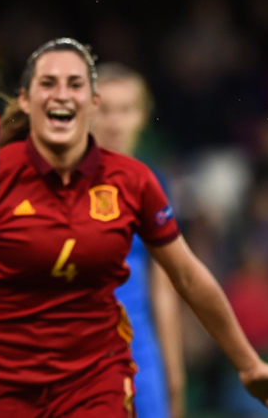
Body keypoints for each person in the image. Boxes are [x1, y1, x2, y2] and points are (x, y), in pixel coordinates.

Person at [0, 37, 268, 417]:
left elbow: (186, 277)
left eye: (76, 84)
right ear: (27, 100)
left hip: (99, 380)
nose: (62, 94)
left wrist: (248, 363)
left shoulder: (137, 182)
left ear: (90, 102)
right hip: (4, 383)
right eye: (48, 83)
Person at [92, 63, 185, 418]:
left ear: (143, 116)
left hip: (139, 347)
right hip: (75, 347)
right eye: (104, 109)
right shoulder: (60, 181)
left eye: (126, 109)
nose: (114, 122)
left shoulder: (152, 184)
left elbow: (164, 286)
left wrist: (172, 374)